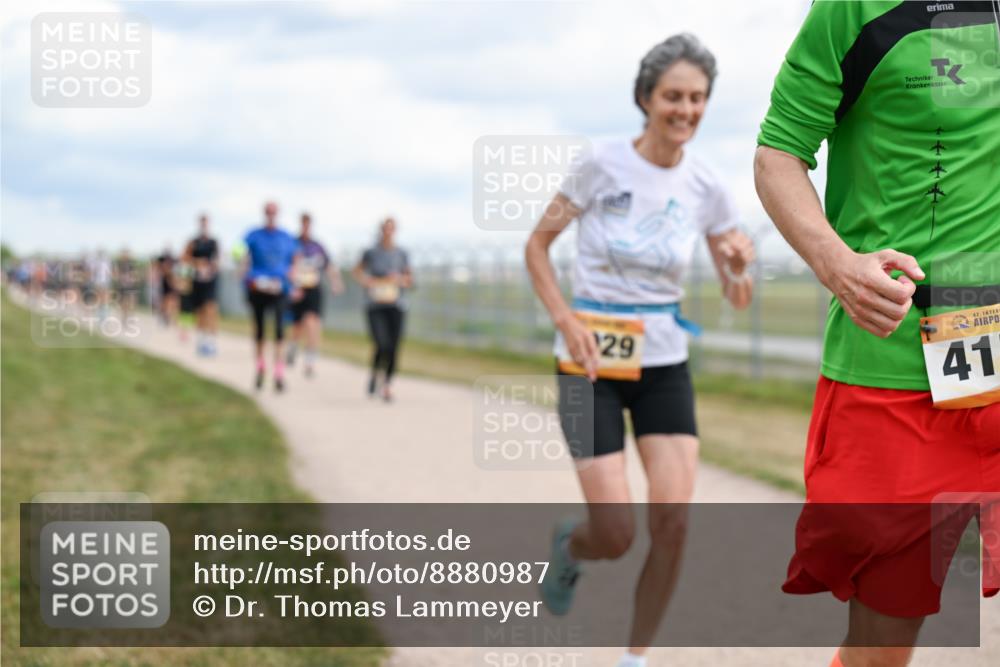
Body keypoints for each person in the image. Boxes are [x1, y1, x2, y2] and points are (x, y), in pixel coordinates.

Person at [754, 2, 1000, 666]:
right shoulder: (853, 9)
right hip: (896, 374)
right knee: (880, 651)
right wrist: (840, 267)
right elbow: (778, 154)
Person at [524, 34, 754, 667]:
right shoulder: (601, 165)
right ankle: (572, 548)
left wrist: (737, 266)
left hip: (663, 364)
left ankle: (636, 657)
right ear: (646, 98)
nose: (686, 110)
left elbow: (738, 298)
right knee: (617, 534)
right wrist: (564, 317)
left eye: (698, 98)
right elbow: (536, 247)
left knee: (674, 522)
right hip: (588, 363)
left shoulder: (708, 184)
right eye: (673, 96)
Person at [241, 201, 301, 392]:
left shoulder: (286, 237)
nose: (271, 215)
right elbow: (241, 255)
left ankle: (279, 373)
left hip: (279, 288)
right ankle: (260, 368)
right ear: (264, 213)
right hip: (257, 287)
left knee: (279, 331)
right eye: (268, 212)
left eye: (273, 212)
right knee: (259, 330)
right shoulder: (253, 235)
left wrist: (293, 275)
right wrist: (245, 273)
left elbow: (296, 259)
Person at [352, 217, 412, 402]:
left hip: (396, 305)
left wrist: (400, 280)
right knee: (381, 343)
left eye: (391, 229)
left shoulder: (401, 253)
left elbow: (409, 279)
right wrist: (367, 281)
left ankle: (387, 384)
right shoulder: (371, 252)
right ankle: (375, 373)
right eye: (385, 229)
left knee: (394, 347)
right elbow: (357, 271)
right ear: (381, 230)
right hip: (375, 305)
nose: (388, 232)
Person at [286, 212, 345, 377]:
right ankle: (293, 346)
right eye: (303, 224)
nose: (305, 227)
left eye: (308, 224)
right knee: (297, 325)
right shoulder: (292, 244)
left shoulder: (318, 246)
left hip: (314, 289)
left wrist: (336, 282)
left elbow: (329, 266)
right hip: (297, 289)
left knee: (313, 323)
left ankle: (310, 360)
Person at [184, 214, 221, 356]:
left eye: (206, 223)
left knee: (211, 309)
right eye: (202, 223)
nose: (204, 225)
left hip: (210, 281)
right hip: (197, 281)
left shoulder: (214, 242)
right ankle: (201, 340)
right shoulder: (193, 242)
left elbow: (218, 259)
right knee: (199, 311)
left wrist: (212, 266)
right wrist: (197, 263)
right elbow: (185, 257)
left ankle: (211, 341)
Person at [153, 246, 178, 327]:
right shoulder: (161, 259)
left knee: (171, 301)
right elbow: (156, 268)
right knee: (164, 301)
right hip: (163, 283)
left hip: (171, 283)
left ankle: (168, 317)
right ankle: (164, 316)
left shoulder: (174, 260)